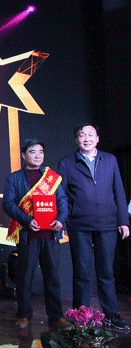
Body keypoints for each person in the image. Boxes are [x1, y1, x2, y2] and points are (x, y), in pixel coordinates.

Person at [58, 123, 130, 330]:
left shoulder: (110, 160)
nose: (87, 138)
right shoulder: (67, 163)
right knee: (81, 273)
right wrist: (62, 221)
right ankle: (81, 317)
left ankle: (112, 315)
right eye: (82, 135)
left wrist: (123, 220)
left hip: (107, 224)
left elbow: (119, 191)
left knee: (106, 273)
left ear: (97, 138)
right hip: (79, 225)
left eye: (91, 135)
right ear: (76, 140)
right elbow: (60, 195)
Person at [3, 139, 70, 331]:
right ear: (24, 155)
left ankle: (56, 316)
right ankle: (24, 314)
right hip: (28, 235)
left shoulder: (52, 178)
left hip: (50, 234)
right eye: (33, 152)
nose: (38, 155)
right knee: (25, 277)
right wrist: (26, 220)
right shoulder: (14, 178)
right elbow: (8, 204)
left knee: (53, 277)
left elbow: (62, 201)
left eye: (40, 151)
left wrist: (61, 220)